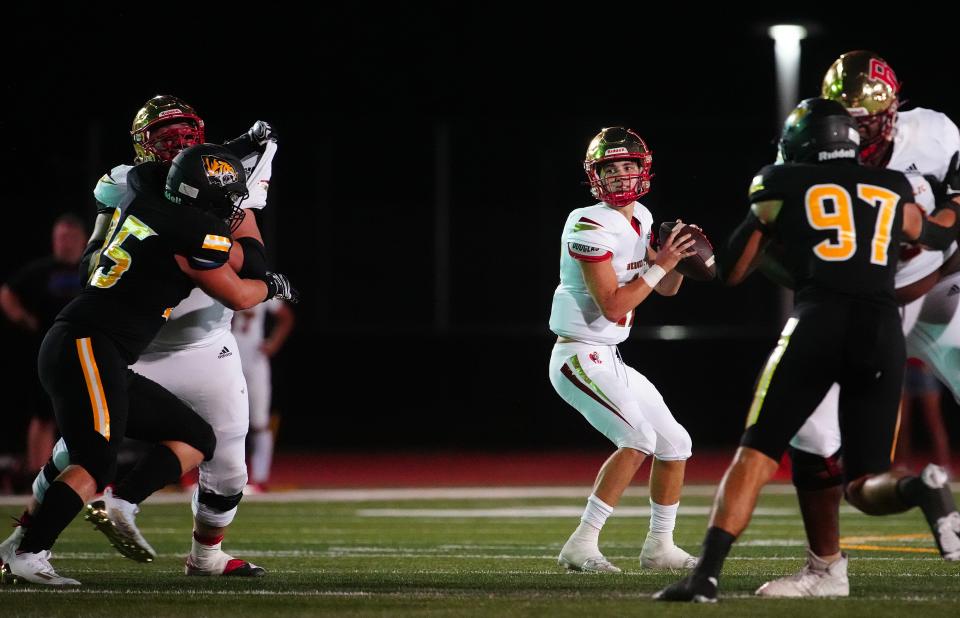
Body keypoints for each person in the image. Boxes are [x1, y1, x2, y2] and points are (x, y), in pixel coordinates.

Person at [654, 98, 960, 603]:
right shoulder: (891, 187)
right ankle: (918, 488)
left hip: (820, 321)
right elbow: (935, 232)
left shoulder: (778, 184)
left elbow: (729, 271)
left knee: (757, 451)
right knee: (866, 481)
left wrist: (689, 257)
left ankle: (704, 575)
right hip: (883, 329)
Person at [0, 96, 281, 578]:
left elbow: (205, 183)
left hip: (199, 344)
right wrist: (264, 276)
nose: (178, 145)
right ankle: (25, 546)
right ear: (142, 145)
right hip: (128, 344)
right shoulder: (130, 186)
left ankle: (200, 551)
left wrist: (240, 158)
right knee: (83, 452)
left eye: (185, 136)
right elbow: (245, 271)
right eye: (164, 138)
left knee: (223, 459)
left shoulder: (192, 180)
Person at [757, 50, 960, 598]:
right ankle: (826, 569)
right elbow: (769, 244)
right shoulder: (805, 144)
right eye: (851, 118)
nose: (862, 129)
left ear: (895, 110)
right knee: (812, 431)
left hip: (936, 281)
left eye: (871, 117)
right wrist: (813, 285)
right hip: (857, 299)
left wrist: (928, 260)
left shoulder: (937, 134)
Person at [548, 127, 700, 573]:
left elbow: (666, 288)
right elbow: (614, 305)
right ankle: (582, 542)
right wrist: (662, 266)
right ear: (595, 177)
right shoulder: (587, 222)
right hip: (577, 354)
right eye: (609, 168)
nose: (619, 175)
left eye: (627, 165)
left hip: (609, 357)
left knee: (676, 444)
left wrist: (678, 258)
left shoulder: (644, 217)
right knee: (636, 439)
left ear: (643, 168)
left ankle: (659, 547)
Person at [1, 214, 87, 474]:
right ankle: (37, 475)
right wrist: (23, 318)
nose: (66, 243)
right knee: (43, 415)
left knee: (87, 417)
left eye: (71, 238)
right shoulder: (42, 271)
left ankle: (84, 473)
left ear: (83, 240)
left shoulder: (93, 267)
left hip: (87, 352)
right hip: (49, 355)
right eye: (61, 238)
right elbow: (7, 292)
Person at [233, 298, 295, 492]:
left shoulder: (261, 282)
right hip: (227, 356)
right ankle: (217, 477)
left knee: (259, 421)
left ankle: (260, 478)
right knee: (221, 419)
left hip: (255, 359)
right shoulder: (219, 280)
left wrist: (273, 344)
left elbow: (286, 316)